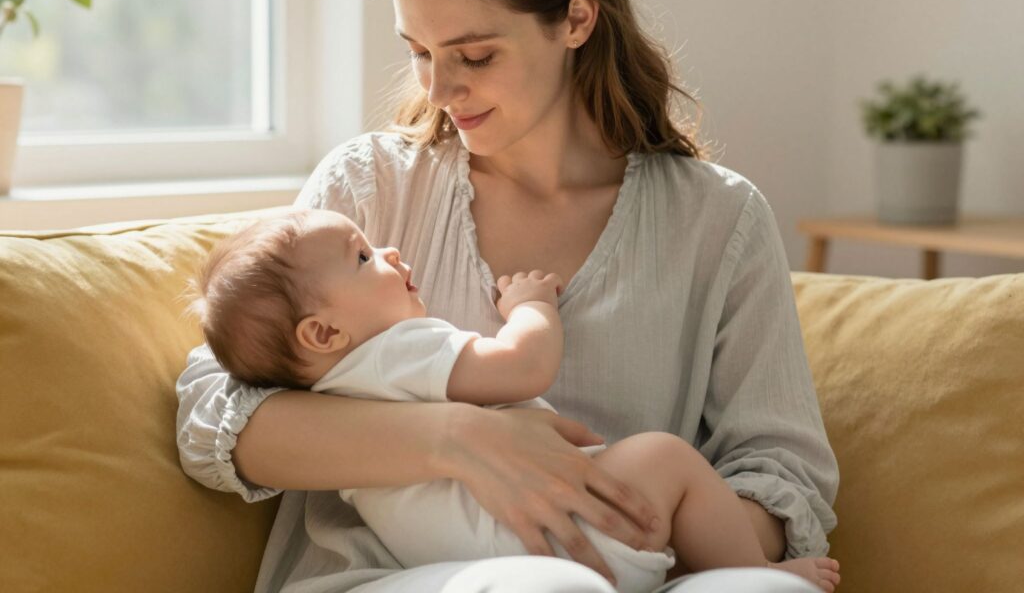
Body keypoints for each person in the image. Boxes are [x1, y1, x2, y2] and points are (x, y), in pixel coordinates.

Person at [176, 0, 840, 593]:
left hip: (642, 572)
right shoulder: (369, 187)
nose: (440, 88)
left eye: (475, 55)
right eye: (419, 53)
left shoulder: (718, 219)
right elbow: (217, 416)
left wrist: (642, 524)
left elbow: (783, 476)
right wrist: (460, 438)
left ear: (576, 20)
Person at [187, 208, 840, 593]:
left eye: (476, 54)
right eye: (362, 257)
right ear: (324, 333)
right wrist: (531, 309)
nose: (386, 250)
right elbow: (522, 367)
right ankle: (752, 567)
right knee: (665, 457)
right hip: (544, 538)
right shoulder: (395, 350)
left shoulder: (326, 387)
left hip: (465, 558)